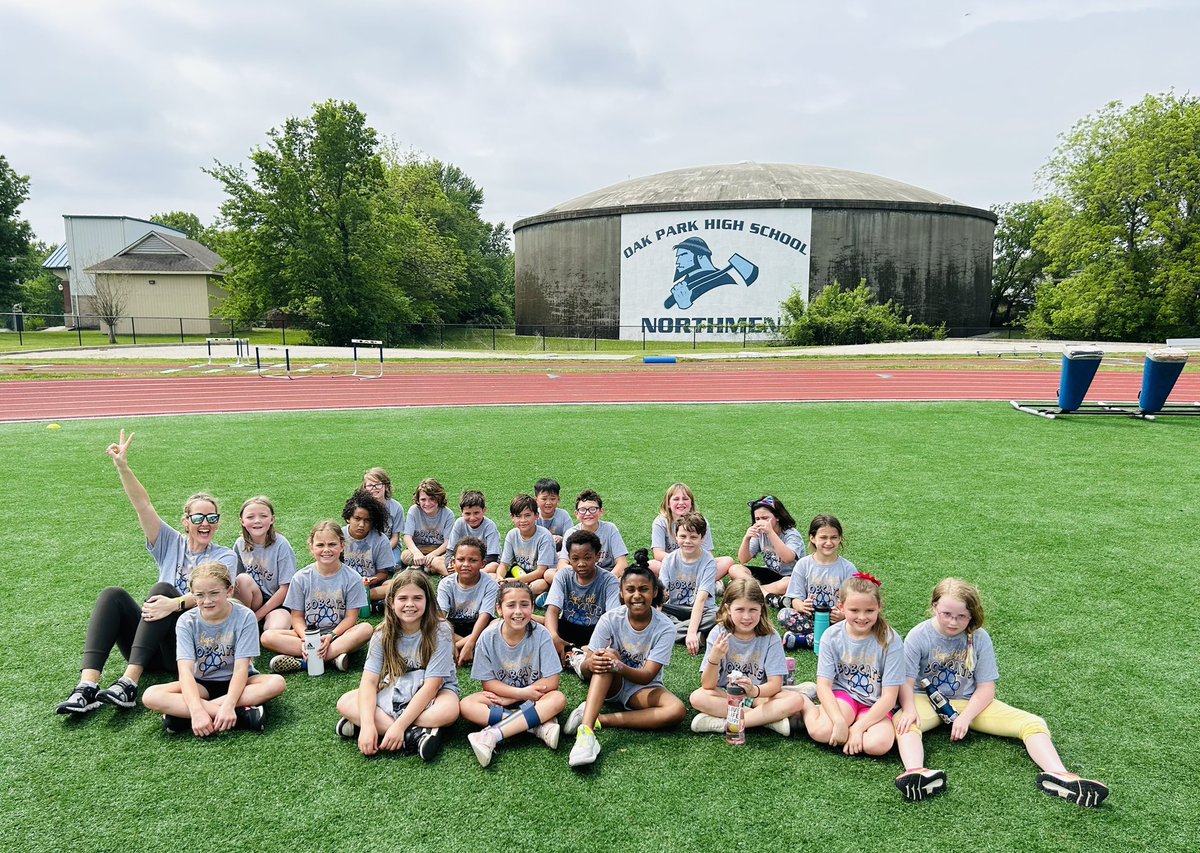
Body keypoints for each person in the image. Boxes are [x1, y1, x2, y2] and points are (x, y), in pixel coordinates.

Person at [57, 430, 238, 715]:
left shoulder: (224, 555)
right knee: (112, 596)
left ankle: (129, 683)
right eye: (198, 517)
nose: (206, 523)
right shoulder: (169, 541)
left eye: (212, 518)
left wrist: (174, 603)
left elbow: (215, 594)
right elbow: (143, 504)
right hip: (149, 643)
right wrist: (122, 467)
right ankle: (87, 687)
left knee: (163, 590)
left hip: (187, 646)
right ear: (185, 521)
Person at [893, 578, 1109, 807]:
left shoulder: (979, 637)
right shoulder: (919, 635)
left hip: (968, 701)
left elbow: (987, 689)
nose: (953, 622)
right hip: (924, 698)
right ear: (934, 606)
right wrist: (907, 710)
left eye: (962, 617)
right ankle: (916, 774)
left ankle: (1060, 776)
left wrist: (965, 718)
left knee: (1032, 722)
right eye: (946, 614)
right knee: (903, 723)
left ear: (972, 616)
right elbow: (905, 681)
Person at [566, 559, 685, 768]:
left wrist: (617, 665)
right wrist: (595, 662)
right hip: (611, 683)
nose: (637, 595)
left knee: (677, 710)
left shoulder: (665, 627)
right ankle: (586, 733)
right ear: (621, 592)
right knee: (606, 654)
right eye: (630, 589)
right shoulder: (610, 618)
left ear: (655, 592)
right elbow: (587, 669)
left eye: (643, 589)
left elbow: (647, 675)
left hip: (643, 689)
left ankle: (598, 717)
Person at [142, 562, 286, 735]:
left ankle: (183, 715)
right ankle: (241, 715)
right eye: (200, 595)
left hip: (242, 682)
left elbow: (241, 668)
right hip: (202, 684)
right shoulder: (186, 621)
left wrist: (228, 704)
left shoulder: (245, 617)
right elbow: (185, 671)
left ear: (229, 591)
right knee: (150, 695)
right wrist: (197, 711)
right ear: (193, 597)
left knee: (276, 683)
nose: (207, 601)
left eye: (214, 593)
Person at [334, 570, 460, 761]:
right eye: (403, 598)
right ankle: (416, 735)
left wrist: (398, 726)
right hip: (396, 689)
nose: (410, 604)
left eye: (417, 598)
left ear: (428, 601)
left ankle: (383, 727)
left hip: (436, 692)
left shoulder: (440, 631)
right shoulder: (382, 634)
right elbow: (369, 682)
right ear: (391, 602)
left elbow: (432, 686)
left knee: (449, 711)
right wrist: (368, 725)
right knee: (345, 701)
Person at [461, 581, 566, 767]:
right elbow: (488, 684)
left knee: (557, 699)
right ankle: (536, 726)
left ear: (533, 607)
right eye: (511, 605)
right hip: (506, 696)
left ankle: (490, 735)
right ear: (499, 609)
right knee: (467, 705)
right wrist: (519, 694)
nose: (518, 611)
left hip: (536, 697)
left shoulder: (541, 635)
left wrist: (519, 696)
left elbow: (552, 680)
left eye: (524, 605)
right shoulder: (487, 637)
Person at [800, 573, 904, 760]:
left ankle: (855, 722)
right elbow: (823, 685)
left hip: (876, 703)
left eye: (869, 611)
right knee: (821, 732)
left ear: (879, 607)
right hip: (845, 695)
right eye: (854, 610)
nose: (862, 617)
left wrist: (858, 728)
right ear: (841, 607)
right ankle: (806, 705)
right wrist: (839, 721)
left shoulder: (891, 640)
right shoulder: (831, 636)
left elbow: (889, 697)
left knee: (878, 745)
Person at [688, 578, 806, 736]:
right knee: (697, 697)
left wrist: (753, 691)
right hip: (725, 694)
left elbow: (775, 685)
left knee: (796, 700)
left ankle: (727, 724)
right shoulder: (719, 633)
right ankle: (768, 720)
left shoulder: (770, 637)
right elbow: (708, 685)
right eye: (740, 609)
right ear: (728, 609)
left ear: (761, 609)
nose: (746, 617)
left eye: (753, 610)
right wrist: (714, 659)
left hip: (758, 695)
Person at [260, 521, 374, 674]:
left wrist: (330, 636)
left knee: (365, 629)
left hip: (338, 634)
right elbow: (297, 618)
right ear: (311, 547)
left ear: (342, 546)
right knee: (267, 637)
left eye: (332, 544)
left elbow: (350, 619)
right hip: (309, 633)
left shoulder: (352, 578)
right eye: (320, 545)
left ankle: (305, 663)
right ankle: (333, 657)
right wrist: (307, 639)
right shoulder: (300, 578)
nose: (326, 550)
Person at [544, 530, 621, 674]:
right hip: (566, 628)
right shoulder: (563, 575)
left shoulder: (608, 580)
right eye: (575, 559)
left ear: (597, 556)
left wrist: (597, 645)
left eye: (587, 558)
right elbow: (552, 610)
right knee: (534, 627)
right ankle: (574, 654)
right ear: (569, 558)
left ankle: (575, 655)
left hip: (595, 631)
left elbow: (612, 617)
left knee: (607, 653)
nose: (581, 564)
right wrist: (554, 636)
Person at [776, 515, 856, 649]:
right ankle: (826, 638)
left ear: (840, 538)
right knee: (784, 615)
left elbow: (855, 603)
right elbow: (795, 598)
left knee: (856, 624)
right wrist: (802, 606)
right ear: (812, 538)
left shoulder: (848, 568)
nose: (829, 542)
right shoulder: (803, 564)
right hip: (811, 617)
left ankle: (803, 640)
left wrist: (843, 615)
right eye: (823, 537)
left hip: (836, 620)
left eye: (834, 537)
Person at [231, 496, 296, 631]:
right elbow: (235, 583)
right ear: (242, 521)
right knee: (242, 579)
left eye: (263, 516)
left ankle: (257, 622)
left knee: (275, 631)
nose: (257, 521)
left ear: (272, 519)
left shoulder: (281, 545)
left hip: (278, 603)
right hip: (254, 599)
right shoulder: (240, 543)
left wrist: (258, 615)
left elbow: (286, 588)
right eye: (250, 517)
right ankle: (242, 620)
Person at [657, 513, 718, 654]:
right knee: (650, 610)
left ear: (702, 539)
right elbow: (660, 594)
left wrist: (691, 633)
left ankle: (667, 632)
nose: (687, 541)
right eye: (683, 536)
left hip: (703, 610)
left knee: (720, 614)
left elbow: (701, 599)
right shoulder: (669, 560)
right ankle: (700, 634)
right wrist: (654, 616)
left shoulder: (708, 562)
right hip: (675, 608)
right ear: (676, 536)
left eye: (693, 537)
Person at [649, 483, 733, 580]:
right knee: (650, 565)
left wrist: (693, 563)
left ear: (691, 503)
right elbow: (658, 554)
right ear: (668, 503)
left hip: (697, 564)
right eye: (676, 499)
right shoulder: (660, 522)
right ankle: (700, 582)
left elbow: (708, 553)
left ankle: (683, 583)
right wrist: (682, 562)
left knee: (727, 561)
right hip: (672, 564)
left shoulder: (701, 521)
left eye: (685, 499)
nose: (681, 502)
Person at [435, 536, 498, 665]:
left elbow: (485, 616)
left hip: (479, 627)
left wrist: (469, 643)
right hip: (452, 628)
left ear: (482, 564)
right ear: (453, 562)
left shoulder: (490, 584)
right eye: (461, 559)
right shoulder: (446, 584)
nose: (466, 565)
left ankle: (460, 648)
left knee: (498, 624)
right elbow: (440, 618)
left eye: (473, 560)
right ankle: (474, 649)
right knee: (431, 624)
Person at [728, 495, 806, 597]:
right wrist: (746, 538)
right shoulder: (760, 533)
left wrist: (770, 533)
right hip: (771, 572)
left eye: (765, 518)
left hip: (790, 576)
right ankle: (765, 594)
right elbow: (743, 559)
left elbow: (788, 558)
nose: (761, 522)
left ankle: (749, 589)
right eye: (757, 519)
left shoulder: (791, 534)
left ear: (777, 517)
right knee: (735, 569)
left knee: (787, 584)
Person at [552, 490, 628, 580]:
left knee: (624, 579)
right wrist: (583, 575)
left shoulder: (610, 529)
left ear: (601, 511)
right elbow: (562, 564)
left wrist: (607, 579)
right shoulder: (571, 533)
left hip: (606, 573)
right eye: (583, 510)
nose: (587, 513)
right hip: (579, 574)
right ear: (576, 514)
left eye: (593, 509)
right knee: (550, 574)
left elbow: (622, 563)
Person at [492, 494, 557, 595]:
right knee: (492, 576)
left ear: (536, 516)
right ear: (512, 517)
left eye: (527, 515)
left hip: (538, 577)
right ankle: (518, 592)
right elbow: (504, 565)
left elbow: (541, 571)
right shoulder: (512, 534)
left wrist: (515, 581)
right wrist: (499, 577)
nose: (523, 520)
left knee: (541, 584)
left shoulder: (544, 536)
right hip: (520, 573)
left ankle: (512, 592)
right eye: (518, 516)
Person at [341, 489, 396, 608]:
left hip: (369, 586)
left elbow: (383, 573)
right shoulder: (339, 536)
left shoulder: (380, 540)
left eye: (367, 520)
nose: (361, 524)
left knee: (396, 585)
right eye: (357, 519)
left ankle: (357, 600)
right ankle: (368, 602)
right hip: (343, 585)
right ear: (348, 518)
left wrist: (369, 580)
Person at [401, 478, 455, 576]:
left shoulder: (447, 514)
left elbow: (448, 542)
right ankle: (427, 566)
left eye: (432, 499)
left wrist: (433, 554)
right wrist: (416, 552)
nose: (427, 503)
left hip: (439, 550)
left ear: (439, 498)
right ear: (418, 500)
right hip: (419, 548)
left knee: (447, 559)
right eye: (423, 499)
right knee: (405, 556)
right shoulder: (414, 511)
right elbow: (407, 536)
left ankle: (423, 566)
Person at [445, 490, 501, 576]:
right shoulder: (459, 523)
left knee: (494, 566)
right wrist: (450, 564)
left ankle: (464, 575)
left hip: (483, 564)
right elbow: (450, 551)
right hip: (463, 561)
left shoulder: (489, 526)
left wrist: (474, 566)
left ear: (484, 510)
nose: (472, 518)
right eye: (467, 513)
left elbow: (492, 557)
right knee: (437, 561)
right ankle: (465, 575)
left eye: (476, 513)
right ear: (462, 513)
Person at [362, 467, 406, 564]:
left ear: (386, 486)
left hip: (389, 546)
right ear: (365, 488)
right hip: (367, 547)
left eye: (377, 484)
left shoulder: (396, 508)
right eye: (370, 485)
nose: (374, 488)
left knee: (394, 563)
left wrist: (382, 551)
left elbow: (395, 538)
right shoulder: (361, 508)